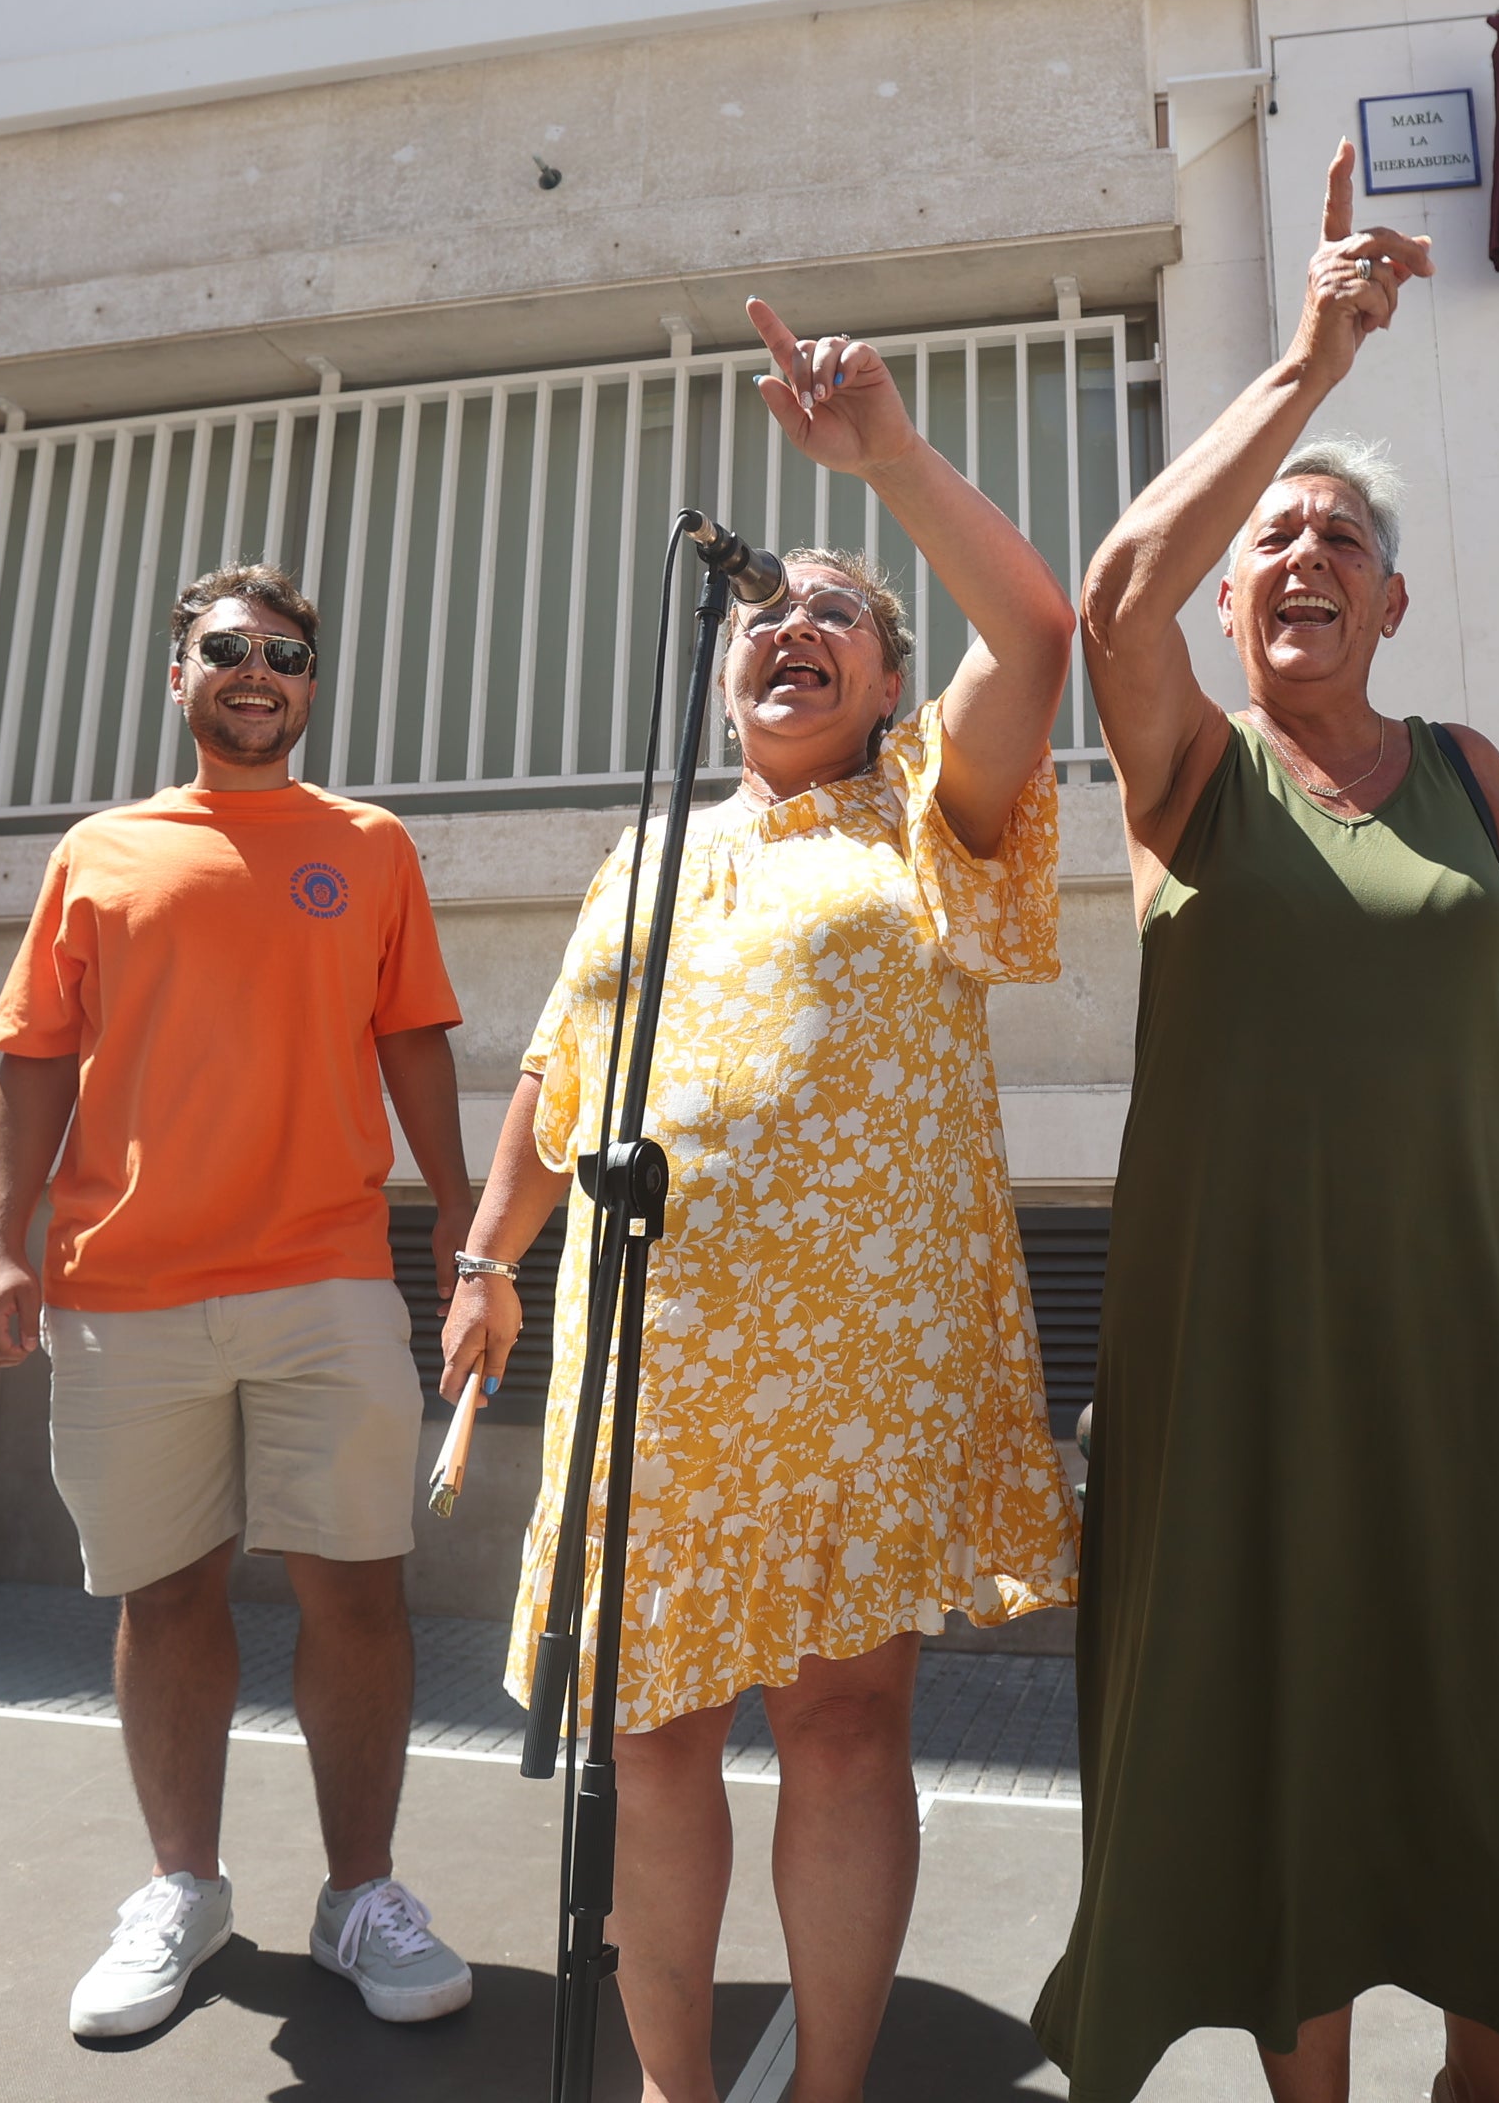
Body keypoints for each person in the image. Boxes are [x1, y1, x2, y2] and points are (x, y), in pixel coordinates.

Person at [1034, 144, 1499, 2103]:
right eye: (1275, 542)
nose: (1302, 554)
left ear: (1394, 600)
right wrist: (1308, 368)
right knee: (1278, 1734)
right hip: (1235, 1354)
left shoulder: (1471, 778)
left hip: (1468, 1340)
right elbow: (1111, 594)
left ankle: (1485, 2086)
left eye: (1339, 539)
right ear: (1234, 599)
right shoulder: (1192, 779)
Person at [436, 300, 1081, 2103]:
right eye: (764, 615)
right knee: (645, 1736)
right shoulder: (646, 845)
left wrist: (883, 460)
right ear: (723, 672)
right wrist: (490, 1257)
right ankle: (668, 2087)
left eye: (838, 616)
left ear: (884, 682)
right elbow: (561, 1086)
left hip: (854, 1362)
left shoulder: (925, 816)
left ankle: (829, 2090)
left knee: (844, 1715)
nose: (792, 626)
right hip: (651, 1353)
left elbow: (1036, 632)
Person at [0, 563, 482, 2043]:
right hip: (121, 1289)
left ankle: (362, 1893)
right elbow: (32, 1063)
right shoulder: (100, 851)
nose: (259, 670)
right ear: (178, 674)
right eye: (228, 649)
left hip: (327, 1273)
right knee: (168, 1593)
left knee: (357, 1588)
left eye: (288, 653)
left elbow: (415, 1043)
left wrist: (463, 1214)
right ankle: (182, 1889)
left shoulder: (371, 847)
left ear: (312, 686)